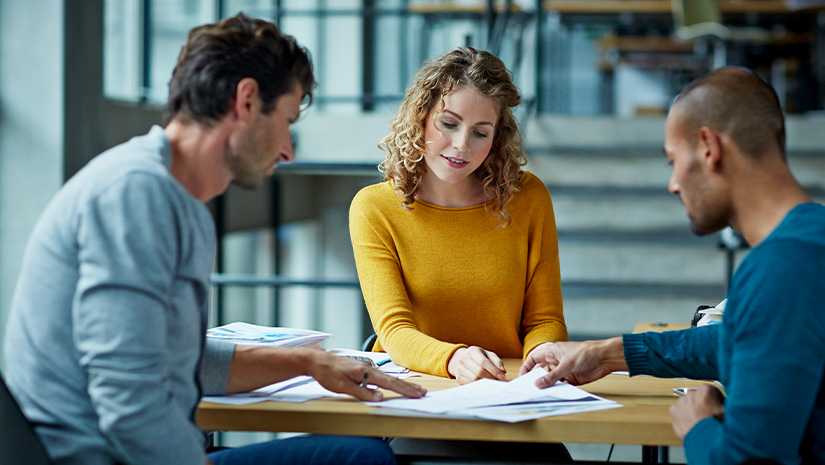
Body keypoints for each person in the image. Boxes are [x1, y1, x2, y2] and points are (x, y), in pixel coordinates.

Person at [3, 13, 425, 465]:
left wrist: (307, 363)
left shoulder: (174, 198)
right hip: (96, 456)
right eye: (286, 120)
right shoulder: (134, 195)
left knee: (359, 455)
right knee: (360, 461)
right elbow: (129, 401)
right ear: (246, 100)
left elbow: (173, 359)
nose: (288, 150)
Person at [521, 67, 825, 465]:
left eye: (673, 161)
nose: (673, 183)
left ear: (708, 147)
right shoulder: (811, 236)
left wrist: (699, 427)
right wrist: (609, 353)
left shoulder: (779, 270)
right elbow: (744, 340)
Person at [349, 47, 567, 385]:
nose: (462, 144)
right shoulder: (374, 208)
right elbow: (394, 330)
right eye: (449, 124)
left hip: (509, 388)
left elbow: (545, 319)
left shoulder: (528, 198)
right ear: (419, 117)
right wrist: (455, 359)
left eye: (480, 132)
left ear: (496, 138)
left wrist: (539, 361)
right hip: (413, 391)